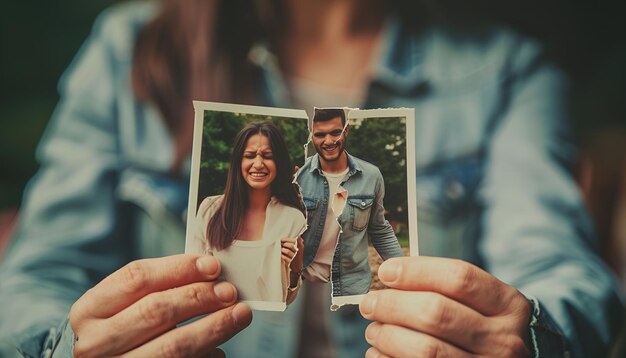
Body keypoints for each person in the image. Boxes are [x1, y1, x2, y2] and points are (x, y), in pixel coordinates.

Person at [0, 0, 623, 357]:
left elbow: (560, 269)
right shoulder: (130, 48)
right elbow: (34, 278)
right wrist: (65, 348)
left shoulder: (508, 74)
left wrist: (535, 338)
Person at [188, 121, 306, 306]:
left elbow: (286, 301)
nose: (258, 164)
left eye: (268, 156)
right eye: (250, 155)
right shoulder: (209, 210)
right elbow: (191, 279)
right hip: (215, 321)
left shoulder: (293, 218)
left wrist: (297, 267)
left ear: (279, 163)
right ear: (238, 161)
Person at [296, 108, 403, 297]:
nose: (328, 141)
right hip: (303, 287)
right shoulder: (298, 177)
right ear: (312, 136)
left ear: (346, 130)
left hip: (352, 288)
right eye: (320, 134)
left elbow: (379, 229)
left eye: (335, 132)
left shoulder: (372, 175)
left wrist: (406, 271)